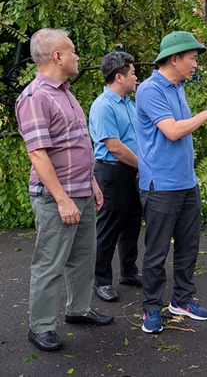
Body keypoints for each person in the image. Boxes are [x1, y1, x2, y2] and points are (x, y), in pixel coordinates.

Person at [15, 28, 114, 352]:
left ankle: (78, 309)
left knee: (84, 257)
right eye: (72, 50)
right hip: (58, 197)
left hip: (82, 191)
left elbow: (77, 145)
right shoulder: (35, 97)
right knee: (50, 262)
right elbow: (38, 153)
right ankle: (41, 326)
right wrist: (62, 199)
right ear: (57, 56)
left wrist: (92, 183)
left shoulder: (65, 92)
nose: (76, 56)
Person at [136, 31, 207, 334]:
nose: (195, 64)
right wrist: (205, 115)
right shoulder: (150, 90)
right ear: (174, 58)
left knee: (189, 247)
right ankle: (152, 306)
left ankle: (182, 300)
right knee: (156, 251)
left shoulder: (177, 88)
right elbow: (173, 131)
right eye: (192, 58)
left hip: (186, 183)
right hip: (160, 186)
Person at [89, 52, 143, 302]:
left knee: (132, 222)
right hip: (112, 171)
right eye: (132, 73)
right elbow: (115, 147)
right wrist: (143, 165)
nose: (135, 77)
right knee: (109, 227)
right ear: (119, 77)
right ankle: (100, 281)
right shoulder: (103, 105)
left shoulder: (129, 104)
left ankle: (129, 271)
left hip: (132, 170)